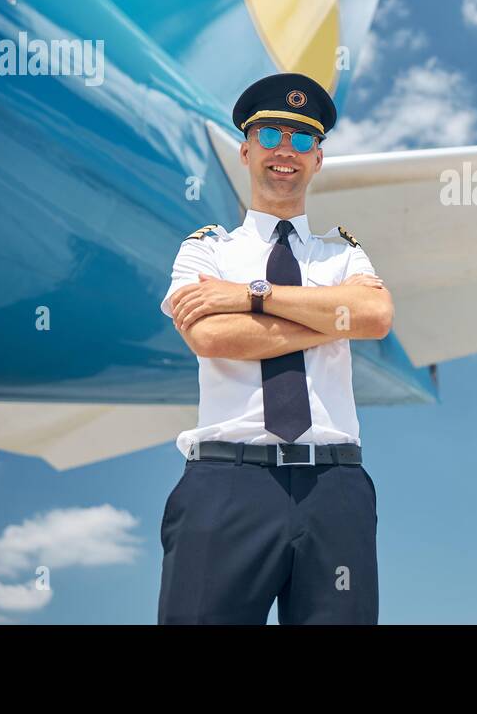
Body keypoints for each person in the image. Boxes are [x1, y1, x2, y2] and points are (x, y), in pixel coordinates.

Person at [156, 71, 393, 624]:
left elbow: (376, 316)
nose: (285, 151)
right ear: (245, 150)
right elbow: (211, 337)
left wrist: (250, 295)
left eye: (303, 140)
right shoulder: (205, 251)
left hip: (334, 488)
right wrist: (334, 317)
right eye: (270, 137)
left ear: (317, 160)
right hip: (225, 486)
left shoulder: (345, 255)